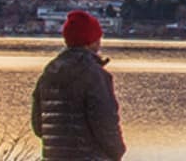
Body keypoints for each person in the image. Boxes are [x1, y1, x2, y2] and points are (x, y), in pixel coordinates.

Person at [30, 10, 125, 160]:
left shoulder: (49, 73)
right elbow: (106, 123)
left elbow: (38, 125)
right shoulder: (94, 75)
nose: (100, 43)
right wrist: (117, 152)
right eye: (98, 38)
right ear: (91, 41)